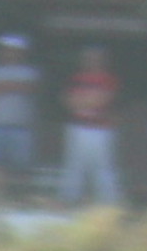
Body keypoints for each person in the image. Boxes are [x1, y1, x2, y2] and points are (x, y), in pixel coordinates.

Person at [52, 47, 123, 208]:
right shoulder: (76, 78)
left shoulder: (108, 79)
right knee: (73, 165)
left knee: (103, 167)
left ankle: (109, 204)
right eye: (88, 58)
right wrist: (86, 100)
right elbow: (67, 100)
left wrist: (82, 100)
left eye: (95, 58)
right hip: (77, 127)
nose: (91, 61)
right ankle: (68, 201)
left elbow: (102, 100)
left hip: (101, 129)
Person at [0, 32, 41, 199]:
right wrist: (14, 86)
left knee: (21, 165)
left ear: (21, 53)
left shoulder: (30, 72)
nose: (8, 53)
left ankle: (20, 195)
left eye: (13, 50)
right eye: (5, 50)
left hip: (21, 126)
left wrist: (3, 86)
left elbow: (30, 89)